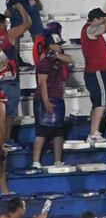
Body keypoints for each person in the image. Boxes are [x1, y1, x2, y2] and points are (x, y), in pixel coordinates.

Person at [32, 26, 71, 169]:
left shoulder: (57, 59)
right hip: (44, 98)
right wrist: (46, 101)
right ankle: (36, 162)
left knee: (58, 132)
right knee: (42, 131)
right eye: (57, 45)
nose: (60, 47)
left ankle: (58, 161)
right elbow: (42, 83)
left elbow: (70, 58)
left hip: (57, 97)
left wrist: (56, 55)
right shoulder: (44, 60)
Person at [80, 3, 106, 144]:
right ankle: (94, 133)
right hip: (97, 72)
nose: (103, 21)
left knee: (98, 103)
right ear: (95, 19)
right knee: (101, 103)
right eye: (101, 19)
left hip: (97, 71)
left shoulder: (90, 29)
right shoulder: (91, 29)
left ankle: (94, 132)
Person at [0, 4, 30, 148]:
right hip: (9, 81)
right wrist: (20, 8)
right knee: (8, 115)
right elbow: (28, 23)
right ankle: (5, 140)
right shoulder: (9, 34)